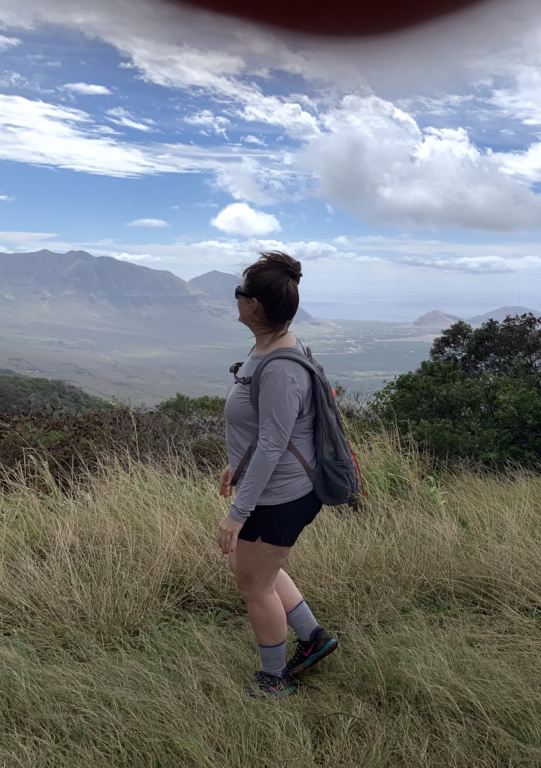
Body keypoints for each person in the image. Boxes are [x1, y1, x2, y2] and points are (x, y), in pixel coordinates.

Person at [217, 250, 337, 697]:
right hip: (270, 486)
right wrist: (237, 463)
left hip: (281, 496)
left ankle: (273, 679)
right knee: (251, 567)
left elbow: (273, 442)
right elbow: (267, 430)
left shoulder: (282, 366)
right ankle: (314, 638)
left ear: (255, 307)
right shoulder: (266, 346)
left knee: (253, 584)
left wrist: (237, 511)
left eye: (240, 292)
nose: (238, 299)